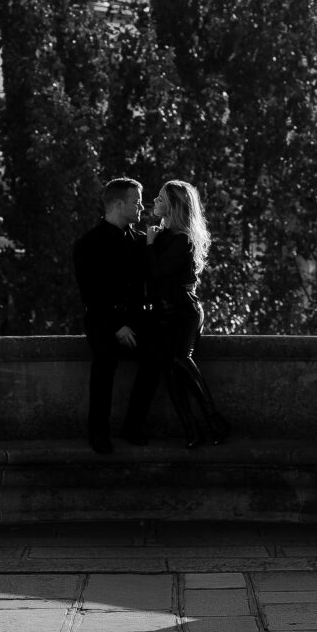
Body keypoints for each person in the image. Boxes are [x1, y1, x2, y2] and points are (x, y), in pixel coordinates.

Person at [123, 178, 231, 449]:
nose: (154, 202)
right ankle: (191, 431)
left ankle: (214, 419)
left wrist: (149, 244)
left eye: (160, 199)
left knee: (181, 358)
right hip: (165, 312)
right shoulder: (163, 235)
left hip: (185, 311)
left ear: (173, 205)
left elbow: (158, 272)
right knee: (171, 372)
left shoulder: (182, 239)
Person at [71, 177, 149, 454]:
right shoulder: (88, 244)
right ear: (118, 203)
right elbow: (91, 295)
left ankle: (133, 425)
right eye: (136, 201)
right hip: (103, 322)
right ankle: (99, 432)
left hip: (136, 320)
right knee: (104, 366)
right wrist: (118, 326)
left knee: (157, 359)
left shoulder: (140, 241)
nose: (141, 207)